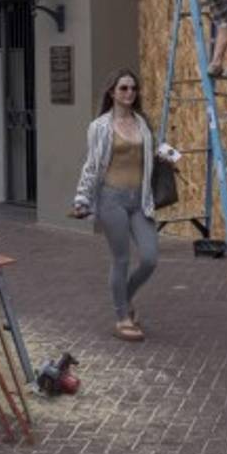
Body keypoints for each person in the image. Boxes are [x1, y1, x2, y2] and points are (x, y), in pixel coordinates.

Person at [71, 69, 160, 342]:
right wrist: (82, 199)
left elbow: (146, 157)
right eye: (123, 88)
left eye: (133, 88)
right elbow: (92, 165)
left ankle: (125, 297)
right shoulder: (100, 126)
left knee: (149, 258)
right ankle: (122, 317)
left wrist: (163, 156)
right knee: (121, 259)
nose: (129, 93)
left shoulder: (142, 123)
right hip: (112, 200)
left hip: (139, 199)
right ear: (112, 92)